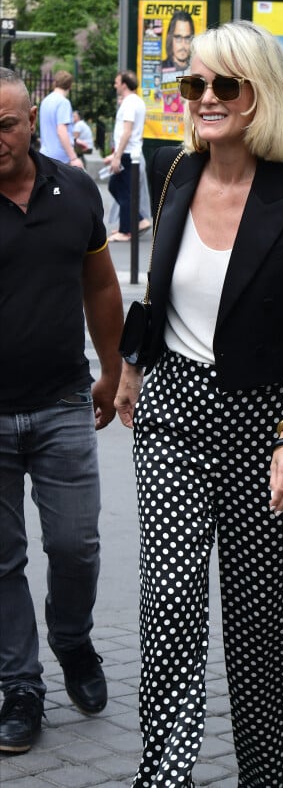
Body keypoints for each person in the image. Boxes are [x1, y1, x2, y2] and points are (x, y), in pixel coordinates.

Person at [114, 20, 283, 787]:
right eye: (193, 85)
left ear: (258, 96)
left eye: (224, 86)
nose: (204, 99)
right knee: (171, 602)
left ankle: (277, 776)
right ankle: (165, 774)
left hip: (263, 421)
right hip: (175, 415)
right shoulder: (176, 172)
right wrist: (130, 366)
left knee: (266, 621)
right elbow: (159, 290)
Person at [0, 68, 124, 753]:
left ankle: (73, 640)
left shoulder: (73, 190)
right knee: (1, 561)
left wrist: (113, 369)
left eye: (6, 124)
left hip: (63, 403)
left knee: (76, 546)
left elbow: (100, 284)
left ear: (30, 122)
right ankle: (20, 686)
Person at [104, 70, 150, 242]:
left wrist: (117, 156)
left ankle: (127, 230)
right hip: (129, 153)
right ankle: (136, 221)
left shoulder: (130, 103)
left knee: (124, 192)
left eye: (117, 82)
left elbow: (127, 132)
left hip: (128, 154)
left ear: (124, 84)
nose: (115, 85)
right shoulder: (135, 101)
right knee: (117, 187)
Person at [38, 70, 84, 169]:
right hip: (60, 158)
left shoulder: (45, 101)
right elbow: (61, 131)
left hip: (45, 154)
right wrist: (73, 158)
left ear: (55, 82)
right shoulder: (63, 102)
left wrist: (75, 140)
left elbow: (50, 128)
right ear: (70, 85)